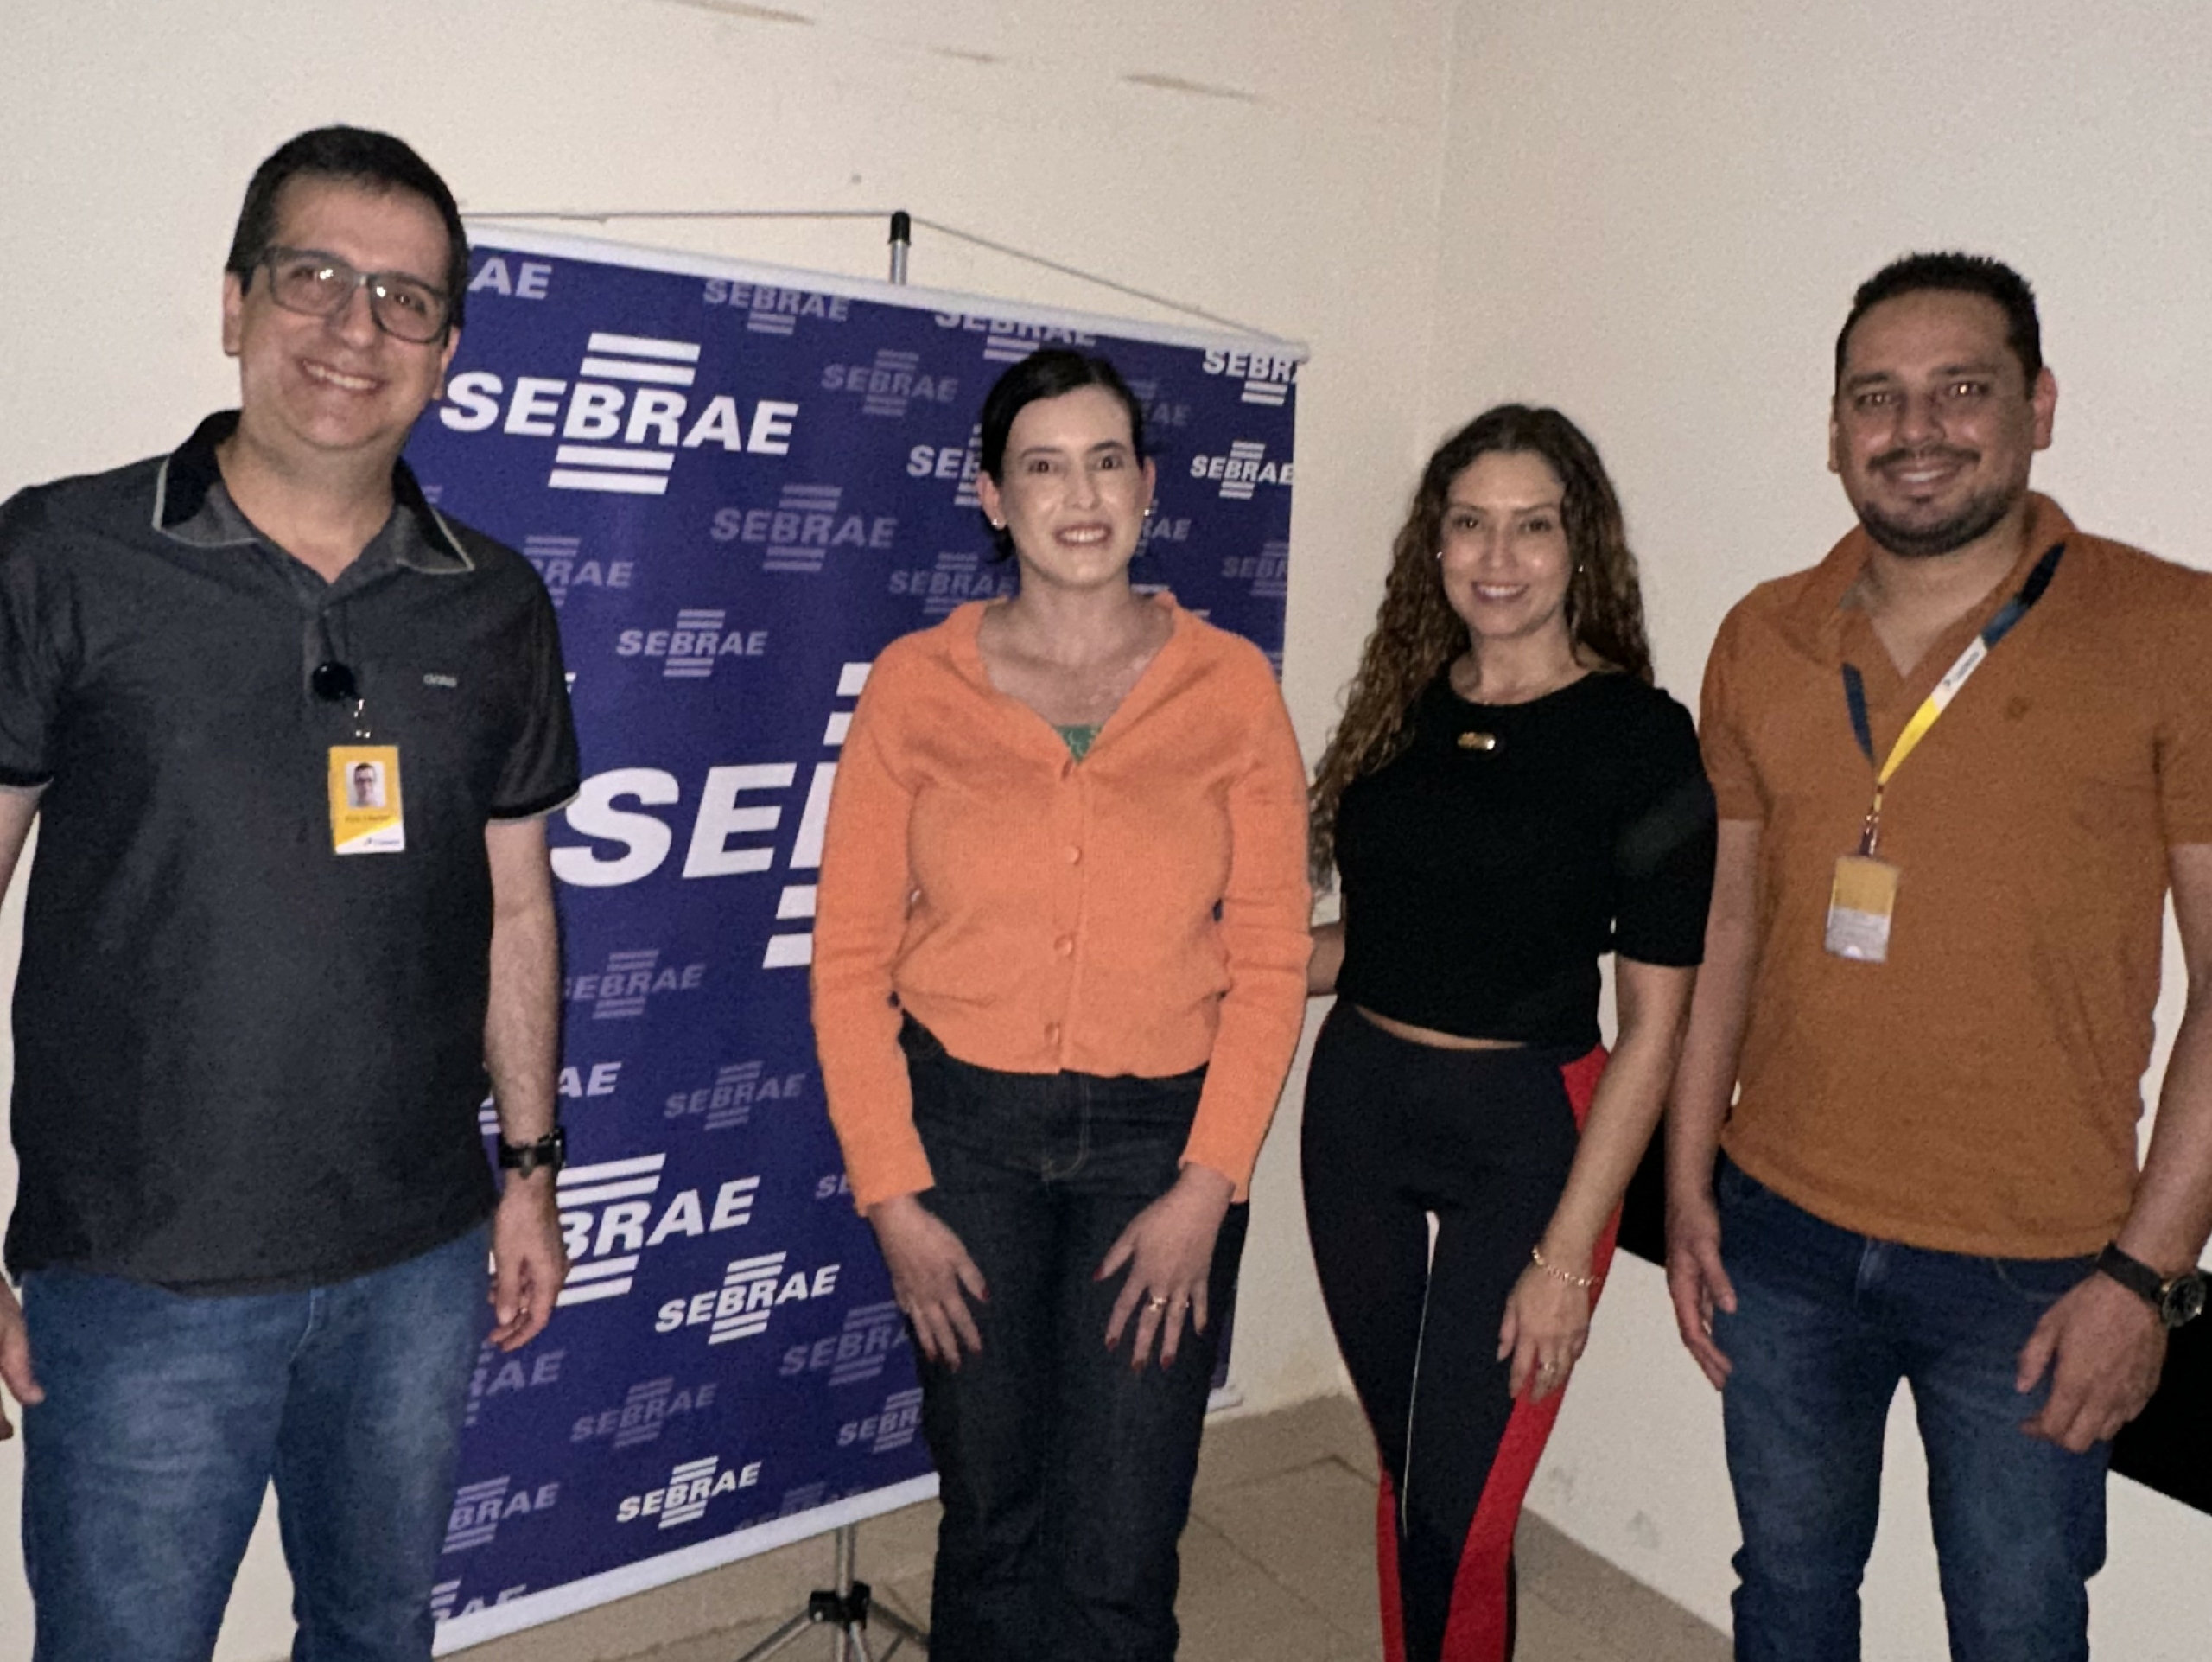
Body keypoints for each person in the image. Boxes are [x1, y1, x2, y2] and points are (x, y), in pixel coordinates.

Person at [0, 127, 579, 1662]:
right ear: (235, 303)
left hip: (419, 1265)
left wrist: (529, 1168)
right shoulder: (62, 552)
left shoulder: (497, 601)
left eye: (405, 300)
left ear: (446, 355)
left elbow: (519, 909)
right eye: (314, 276)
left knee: (376, 1635)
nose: (354, 329)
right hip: (138, 1274)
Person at [1664, 252, 2212, 1662]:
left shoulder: (2176, 632)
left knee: (2016, 1632)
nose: (1915, 428)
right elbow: (1728, 924)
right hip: (1779, 1228)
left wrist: (2147, 1278)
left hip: (2039, 1269)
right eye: (1876, 397)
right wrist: (1688, 1180)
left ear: (2040, 405)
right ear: (1834, 428)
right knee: (1786, 1596)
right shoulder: (1761, 635)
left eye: (1961, 389)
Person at [810, 348, 1311, 1659]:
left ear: (1148, 488)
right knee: (992, 1520)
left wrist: (1210, 1189)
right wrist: (892, 1198)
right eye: (1043, 466)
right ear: (992, 495)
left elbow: (1269, 960)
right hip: (963, 1141)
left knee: (1122, 1545)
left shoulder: (1231, 689)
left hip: (1162, 1151)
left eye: (1106, 463)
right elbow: (849, 960)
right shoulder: (915, 685)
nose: (1080, 497)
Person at [1303, 405, 1716, 1662]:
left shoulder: (1641, 739)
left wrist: (1569, 1258)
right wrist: (1205, 962)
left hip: (1528, 1133)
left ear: (1580, 544)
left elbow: (1655, 1028)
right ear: (1433, 546)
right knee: (1413, 1473)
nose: (1498, 556)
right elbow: (1375, 944)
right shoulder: (1403, 708)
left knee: (1461, 1515)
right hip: (1359, 1109)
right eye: (1470, 524)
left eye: (1532, 526)